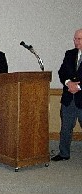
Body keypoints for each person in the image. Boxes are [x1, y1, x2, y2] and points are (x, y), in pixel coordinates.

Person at [51, 29, 82, 161]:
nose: (76, 41)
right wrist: (68, 82)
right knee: (65, 128)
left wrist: (79, 87)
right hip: (69, 97)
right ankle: (64, 153)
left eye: (79, 39)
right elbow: (62, 71)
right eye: (75, 39)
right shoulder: (69, 54)